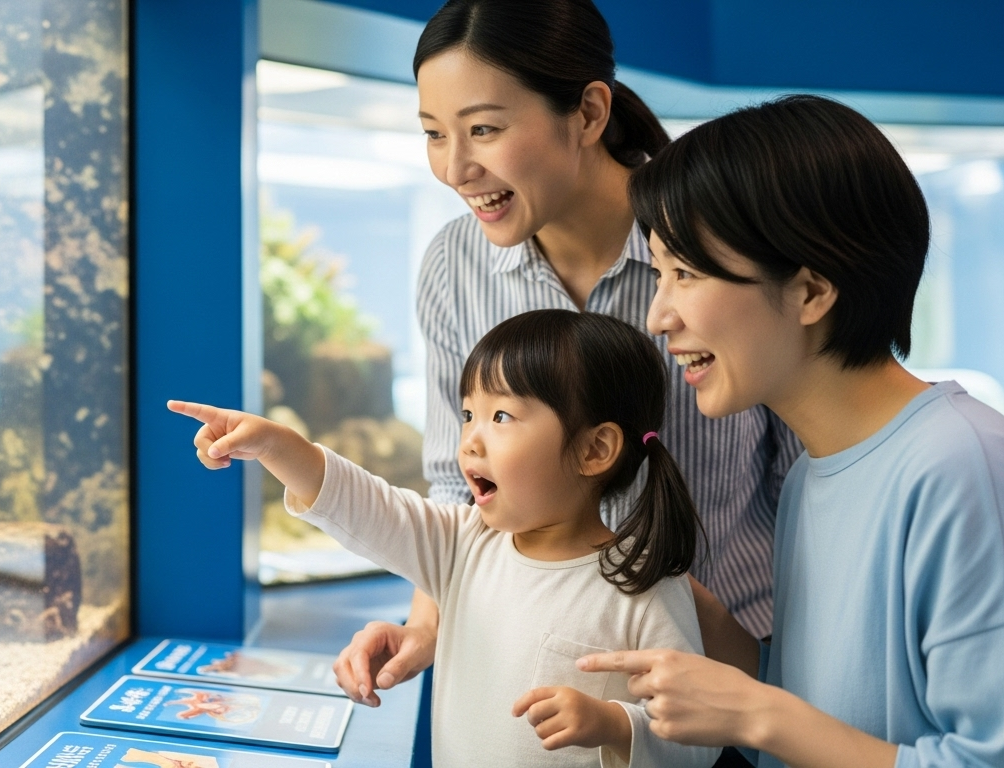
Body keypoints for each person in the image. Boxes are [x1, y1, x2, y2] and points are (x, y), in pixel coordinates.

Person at [334, 0, 799, 733]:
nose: (455, 168)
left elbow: (803, 472)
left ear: (586, 113)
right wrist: (426, 624)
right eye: (432, 134)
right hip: (526, 675)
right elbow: (460, 485)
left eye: (484, 128)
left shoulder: (718, 240)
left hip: (721, 680)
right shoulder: (456, 265)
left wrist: (783, 678)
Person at [573, 95, 1004, 767]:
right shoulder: (809, 474)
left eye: (685, 273)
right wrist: (713, 630)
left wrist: (755, 712)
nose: (659, 316)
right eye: (660, 273)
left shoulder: (963, 468)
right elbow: (825, 725)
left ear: (810, 292)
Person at [171, 310, 720, 767]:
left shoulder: (646, 586)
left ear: (594, 450)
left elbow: (699, 739)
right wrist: (277, 447)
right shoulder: (464, 542)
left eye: (501, 415)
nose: (471, 440)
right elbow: (368, 507)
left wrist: (616, 724)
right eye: (467, 414)